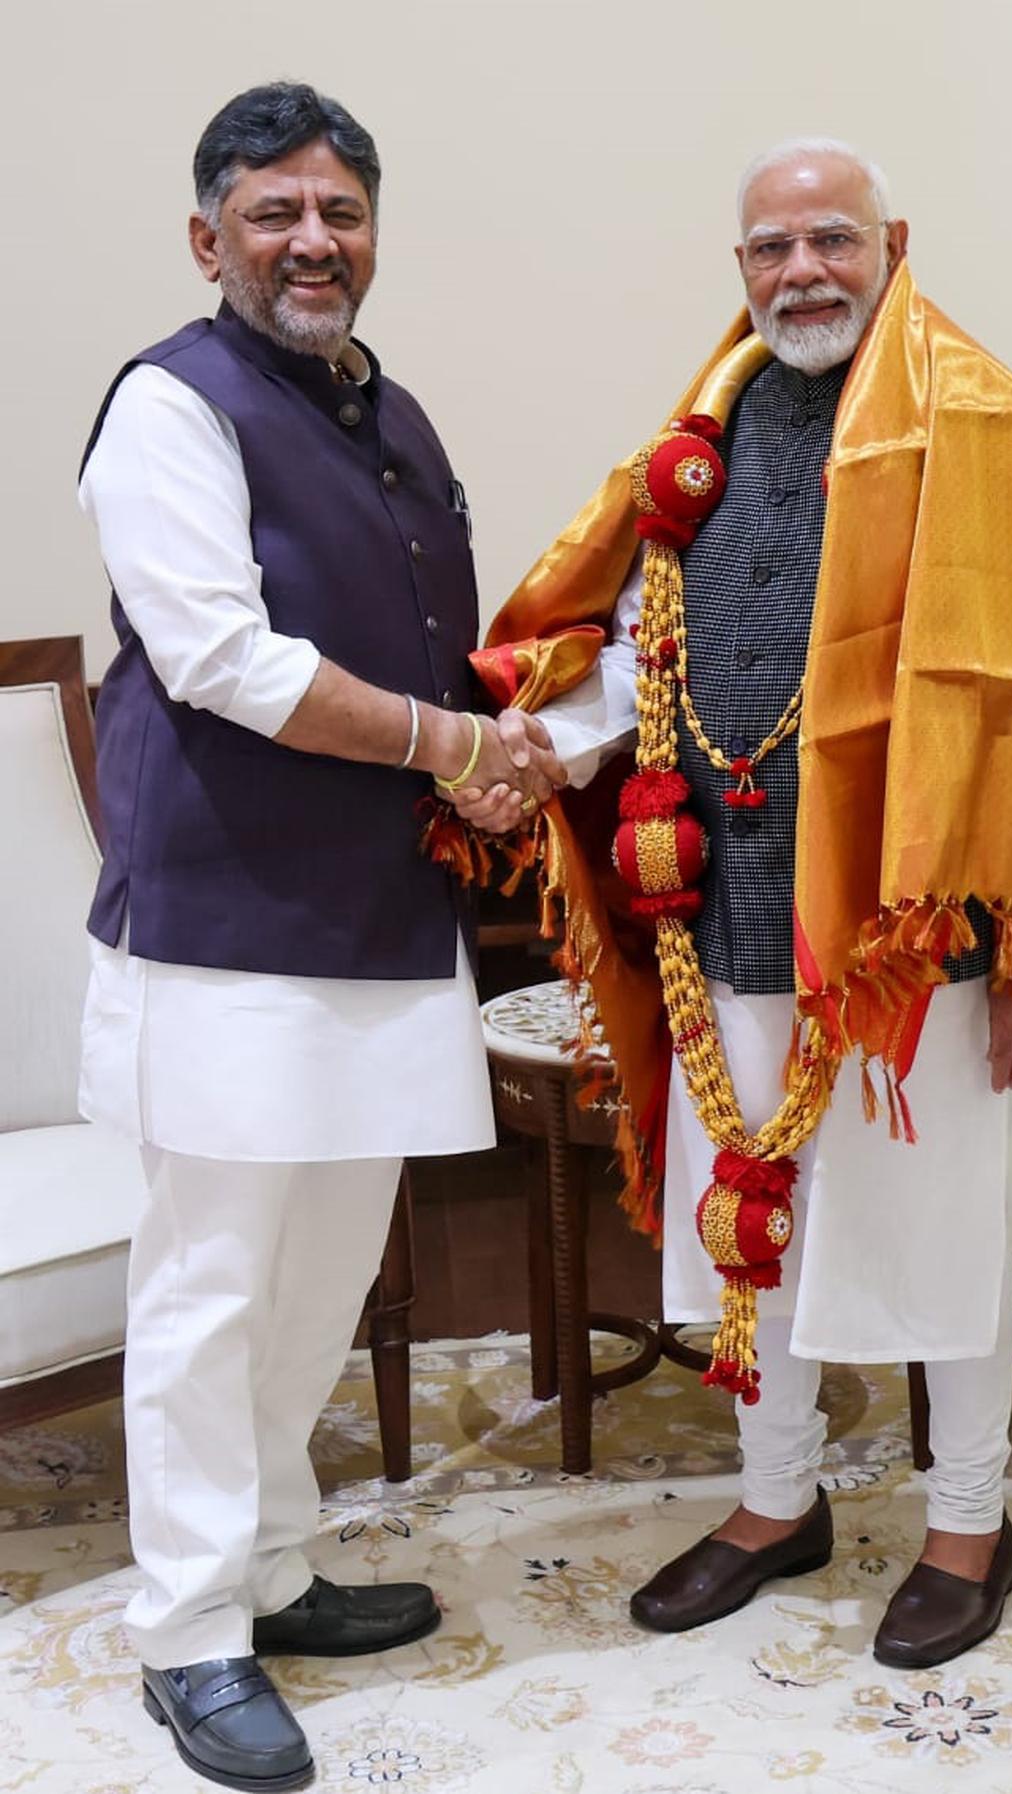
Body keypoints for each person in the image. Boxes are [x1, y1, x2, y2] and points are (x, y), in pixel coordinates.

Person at [446, 138, 1012, 1668]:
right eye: (772, 248)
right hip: (719, 919)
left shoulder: (998, 434)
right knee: (748, 1227)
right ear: (741, 270)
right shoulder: (696, 444)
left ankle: (970, 1522)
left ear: (893, 245)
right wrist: (528, 754)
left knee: (938, 1239)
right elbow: (641, 650)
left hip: (919, 947)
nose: (803, 273)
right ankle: (776, 1500)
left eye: (833, 239)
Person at [78, 82, 563, 1792]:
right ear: (205, 235)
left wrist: (521, 745)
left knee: (322, 1277)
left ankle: (274, 1567)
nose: (312, 240)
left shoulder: (389, 408)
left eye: (340, 211)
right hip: (225, 927)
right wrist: (455, 745)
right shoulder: (167, 406)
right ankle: (187, 1629)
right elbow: (223, 658)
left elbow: (433, 645)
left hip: (380, 916)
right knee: (211, 1288)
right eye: (274, 211)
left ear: (372, 233)